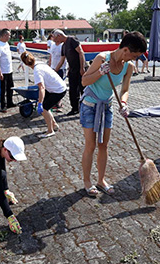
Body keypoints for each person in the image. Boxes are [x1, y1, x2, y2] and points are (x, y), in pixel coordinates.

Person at [80, 32, 147, 196]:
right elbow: (84, 81)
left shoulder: (128, 67)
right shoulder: (102, 58)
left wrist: (124, 103)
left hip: (107, 106)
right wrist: (100, 72)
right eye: (134, 55)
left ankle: (101, 180)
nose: (134, 59)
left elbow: (124, 90)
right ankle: (87, 181)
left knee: (104, 145)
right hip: (90, 105)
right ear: (125, 50)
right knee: (91, 145)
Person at [21, 51, 67, 137]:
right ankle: (54, 124)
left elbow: (41, 88)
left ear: (26, 64)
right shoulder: (39, 63)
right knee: (46, 106)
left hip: (58, 90)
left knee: (45, 108)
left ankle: (50, 131)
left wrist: (40, 103)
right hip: (58, 86)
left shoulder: (37, 71)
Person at [52, 29, 86, 116]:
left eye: (55, 39)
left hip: (80, 70)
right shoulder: (63, 46)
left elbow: (81, 53)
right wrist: (54, 71)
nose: (55, 41)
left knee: (83, 90)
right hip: (72, 70)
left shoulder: (72, 40)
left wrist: (82, 68)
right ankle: (75, 108)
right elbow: (62, 61)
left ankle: (86, 108)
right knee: (73, 90)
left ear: (59, 35)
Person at [0, 28, 16, 112]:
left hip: (9, 70)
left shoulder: (6, 44)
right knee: (3, 90)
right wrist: (0, 73)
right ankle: (3, 105)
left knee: (10, 88)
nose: (9, 37)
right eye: (9, 35)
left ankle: (10, 102)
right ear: (4, 35)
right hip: (2, 71)